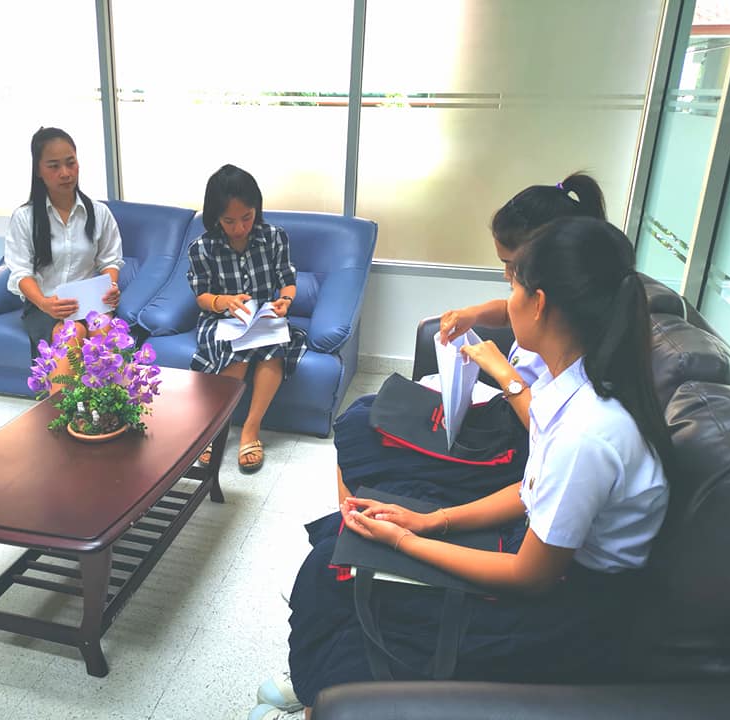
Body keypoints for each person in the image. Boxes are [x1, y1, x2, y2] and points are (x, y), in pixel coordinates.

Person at [249, 217, 673, 720]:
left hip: (568, 614)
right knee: (338, 550)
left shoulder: (588, 431)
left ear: (539, 303)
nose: (507, 298)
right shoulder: (574, 390)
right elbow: (531, 490)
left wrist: (406, 544)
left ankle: (325, 697)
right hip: (548, 562)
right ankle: (317, 689)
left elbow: (529, 576)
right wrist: (432, 522)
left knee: (342, 578)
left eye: (514, 284)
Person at [334, 173, 607, 508]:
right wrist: (472, 315)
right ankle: (351, 520)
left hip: (514, 444)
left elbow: (549, 436)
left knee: (358, 430)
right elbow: (507, 311)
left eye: (511, 268)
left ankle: (350, 522)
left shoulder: (575, 347)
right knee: (362, 411)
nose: (506, 277)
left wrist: (504, 374)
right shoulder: (554, 306)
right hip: (500, 416)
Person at [188, 164, 307, 473]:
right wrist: (223, 301)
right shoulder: (203, 248)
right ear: (215, 216)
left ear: (257, 209)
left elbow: (288, 281)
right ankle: (216, 428)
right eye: (229, 221)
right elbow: (201, 296)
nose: (239, 228)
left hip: (264, 317)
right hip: (221, 320)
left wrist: (285, 301)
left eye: (247, 217)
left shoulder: (274, 237)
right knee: (238, 352)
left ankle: (251, 429)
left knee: (273, 350)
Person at [4, 127, 124, 393]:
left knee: (103, 332)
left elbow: (110, 261)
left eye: (71, 163)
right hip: (45, 305)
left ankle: (109, 410)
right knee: (71, 335)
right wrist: (45, 304)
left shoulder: (99, 213)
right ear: (38, 170)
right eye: (54, 166)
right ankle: (61, 413)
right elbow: (20, 272)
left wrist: (110, 288)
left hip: (90, 304)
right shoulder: (25, 218)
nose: (65, 173)